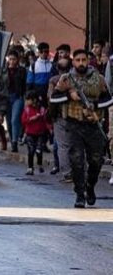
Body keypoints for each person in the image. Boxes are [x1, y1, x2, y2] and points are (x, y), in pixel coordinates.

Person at [51, 49, 113, 208]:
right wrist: (69, 96)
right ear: (73, 62)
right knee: (77, 161)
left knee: (96, 160)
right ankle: (79, 194)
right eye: (77, 60)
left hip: (92, 125)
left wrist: (95, 106)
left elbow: (108, 100)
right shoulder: (66, 79)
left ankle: (90, 186)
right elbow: (54, 98)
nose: (80, 63)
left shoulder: (98, 79)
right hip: (74, 125)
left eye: (83, 60)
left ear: (88, 61)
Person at [47, 58, 72, 179]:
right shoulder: (76, 79)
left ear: (57, 68)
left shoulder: (54, 80)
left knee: (62, 146)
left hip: (59, 116)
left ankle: (67, 172)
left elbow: (51, 98)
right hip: (74, 116)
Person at [0, 50, 27, 152]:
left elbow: (25, 85)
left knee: (15, 119)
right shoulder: (3, 71)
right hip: (6, 97)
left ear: (17, 60)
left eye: (14, 59)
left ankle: (15, 141)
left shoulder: (22, 71)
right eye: (10, 59)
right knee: (9, 121)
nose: (12, 61)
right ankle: (12, 140)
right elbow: (1, 85)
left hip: (18, 97)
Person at [21, 91, 48, 175]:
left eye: (28, 99)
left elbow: (45, 120)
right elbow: (23, 120)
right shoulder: (27, 109)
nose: (27, 101)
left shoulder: (41, 109)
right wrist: (31, 119)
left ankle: (39, 164)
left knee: (39, 150)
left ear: (34, 100)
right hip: (30, 133)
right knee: (31, 151)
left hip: (40, 133)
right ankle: (30, 167)